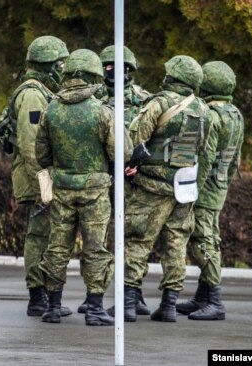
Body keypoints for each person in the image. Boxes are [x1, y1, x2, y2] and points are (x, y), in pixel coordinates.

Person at [36, 49, 133, 326]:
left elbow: (41, 155)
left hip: (63, 188)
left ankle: (53, 307)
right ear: (95, 75)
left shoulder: (51, 110)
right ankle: (94, 308)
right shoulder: (102, 112)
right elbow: (122, 153)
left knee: (57, 247)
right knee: (95, 248)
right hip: (95, 191)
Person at [122, 55, 215, 322]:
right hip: (184, 189)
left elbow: (134, 139)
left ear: (172, 78)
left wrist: (130, 168)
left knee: (137, 241)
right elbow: (205, 152)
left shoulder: (159, 102)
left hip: (151, 187)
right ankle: (169, 306)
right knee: (176, 246)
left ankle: (129, 304)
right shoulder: (203, 110)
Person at [76, 44, 153, 317]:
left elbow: (151, 135)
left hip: (133, 180)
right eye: (107, 67)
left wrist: (138, 164)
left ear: (129, 70)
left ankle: (135, 294)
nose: (112, 72)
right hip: (100, 177)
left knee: (134, 236)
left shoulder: (144, 100)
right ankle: (92, 295)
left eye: (118, 67)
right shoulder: (92, 97)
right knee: (96, 240)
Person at [8, 35, 72, 318]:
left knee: (48, 236)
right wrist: (45, 186)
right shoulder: (33, 94)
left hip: (44, 177)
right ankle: (37, 297)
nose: (63, 67)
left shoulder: (45, 90)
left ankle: (45, 294)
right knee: (39, 235)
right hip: (38, 180)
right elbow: (30, 145)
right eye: (60, 62)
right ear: (46, 64)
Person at [176, 61, 244, 321]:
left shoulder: (212, 116)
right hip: (220, 186)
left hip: (205, 190)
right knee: (211, 239)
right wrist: (223, 183)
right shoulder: (235, 113)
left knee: (203, 242)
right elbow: (235, 158)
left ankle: (215, 301)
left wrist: (192, 192)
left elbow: (204, 159)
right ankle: (202, 297)